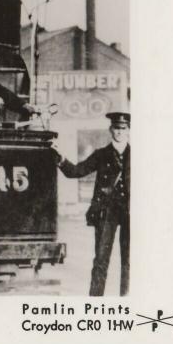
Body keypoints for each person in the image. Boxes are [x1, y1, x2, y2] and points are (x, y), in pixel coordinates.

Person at [54, 112, 131, 296]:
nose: (119, 132)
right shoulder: (101, 155)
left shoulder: (138, 156)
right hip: (106, 212)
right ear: (110, 129)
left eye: (123, 128)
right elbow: (76, 171)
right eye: (116, 128)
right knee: (101, 260)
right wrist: (60, 158)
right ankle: (95, 303)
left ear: (128, 131)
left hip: (130, 213)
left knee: (129, 261)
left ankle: (127, 300)